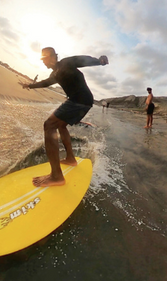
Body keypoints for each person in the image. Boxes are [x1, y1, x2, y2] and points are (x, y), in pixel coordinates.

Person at [20, 47, 109, 188]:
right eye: (42, 59)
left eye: (45, 58)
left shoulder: (66, 63)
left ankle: (56, 176)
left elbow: (82, 60)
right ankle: (70, 158)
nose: (43, 61)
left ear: (53, 56)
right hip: (79, 100)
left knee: (49, 125)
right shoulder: (55, 74)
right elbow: (45, 83)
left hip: (80, 100)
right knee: (61, 126)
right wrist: (29, 86)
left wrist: (99, 61)